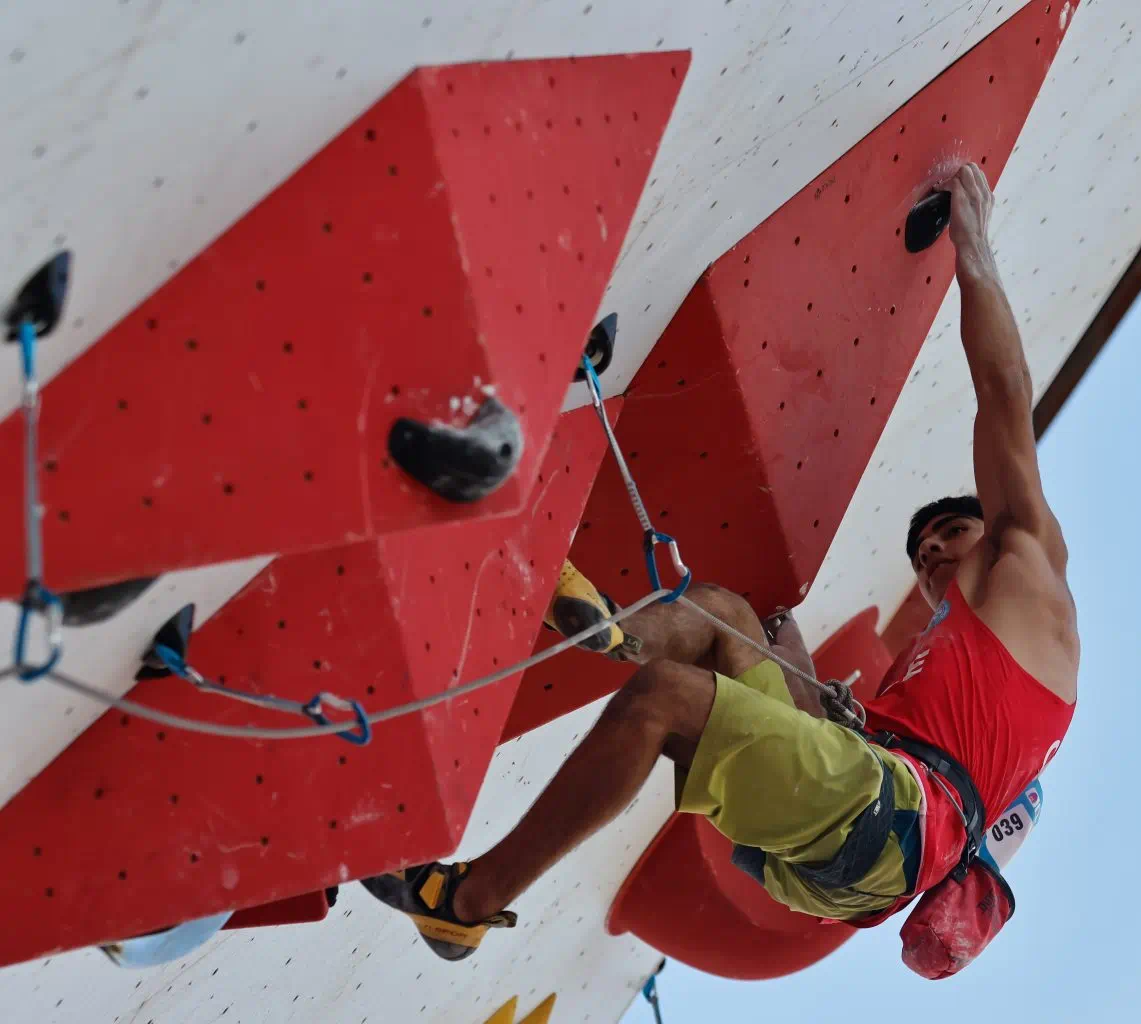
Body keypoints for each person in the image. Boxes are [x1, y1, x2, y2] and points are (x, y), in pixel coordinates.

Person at [359, 162, 1080, 962]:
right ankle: (605, 633)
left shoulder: (1028, 562)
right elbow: (830, 732)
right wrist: (786, 648)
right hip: (871, 820)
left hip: (892, 826)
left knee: (665, 701)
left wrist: (972, 246)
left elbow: (1004, 390)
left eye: (949, 530)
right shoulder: (956, 677)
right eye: (921, 550)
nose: (933, 551)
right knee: (725, 615)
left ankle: (466, 903)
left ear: (997, 523)